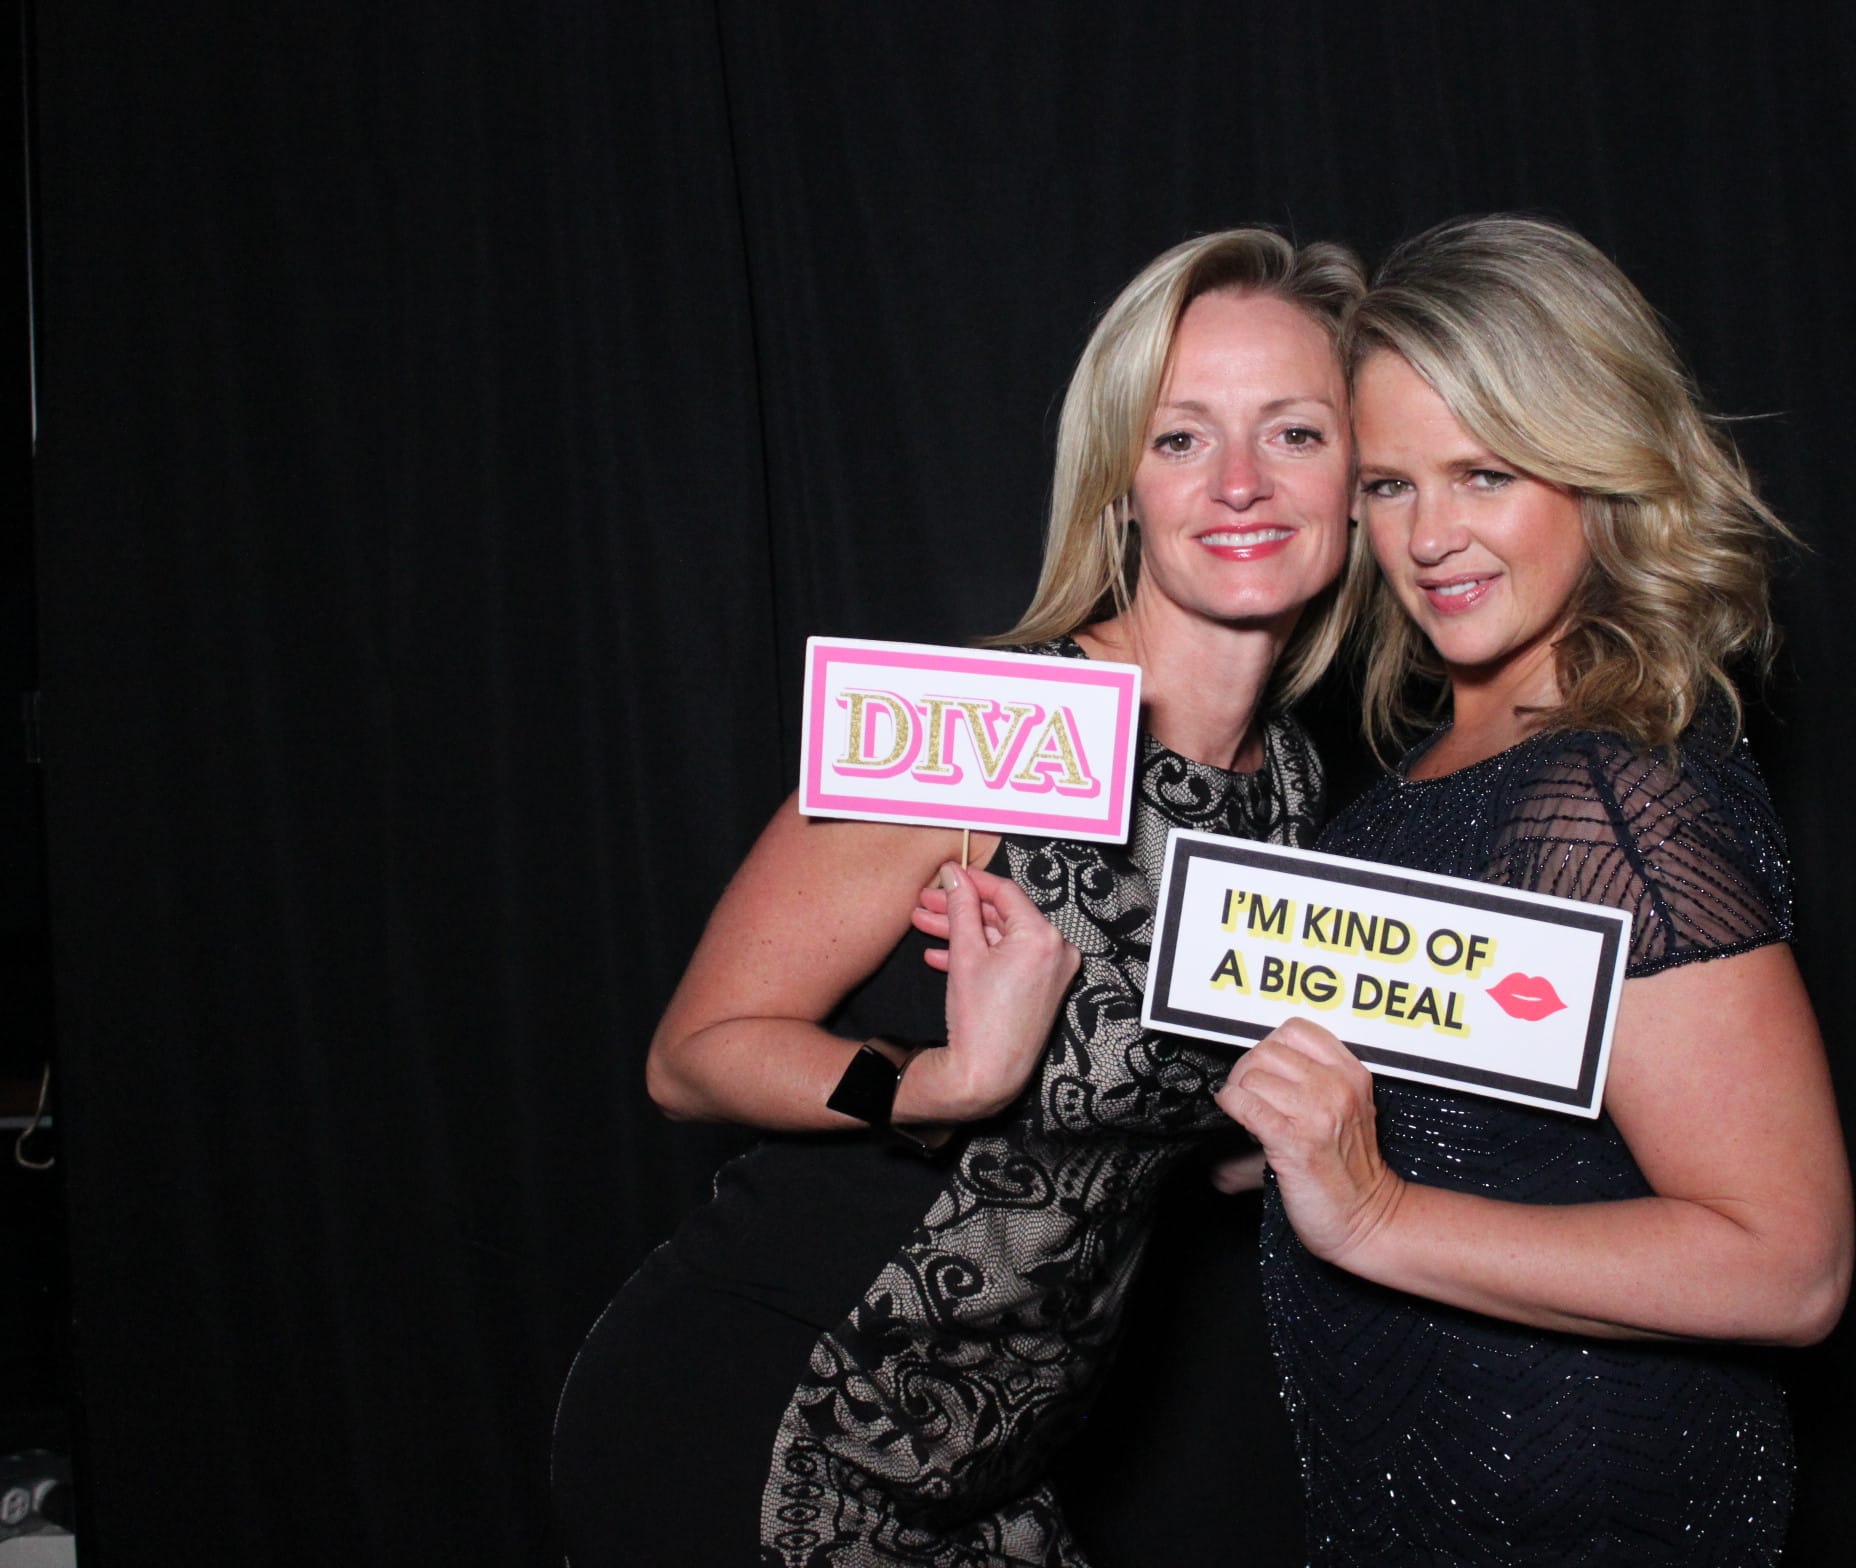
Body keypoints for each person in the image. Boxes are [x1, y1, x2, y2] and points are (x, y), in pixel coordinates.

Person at [551, 227, 1370, 1567]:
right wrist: (936, 1083)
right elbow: (693, 1057)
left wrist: (1289, 1129)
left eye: (1293, 433)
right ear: (1120, 485)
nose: (1239, 482)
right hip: (766, 1424)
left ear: (1358, 479)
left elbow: (1173, 1132)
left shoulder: (1290, 786)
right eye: (1180, 438)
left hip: (980, 1475)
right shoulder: (985, 730)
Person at [1215, 215, 1854, 1565]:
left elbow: (1789, 1263)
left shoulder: (1609, 795)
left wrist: (1376, 1210)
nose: (1430, 537)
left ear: (1598, 471)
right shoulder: (1417, 788)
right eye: (1390, 484)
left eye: (1485, 473)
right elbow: (1502, 1129)